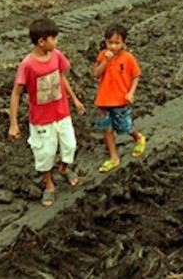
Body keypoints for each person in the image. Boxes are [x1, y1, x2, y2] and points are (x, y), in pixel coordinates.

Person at [8, 17, 86, 207]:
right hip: (41, 120)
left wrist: (74, 99)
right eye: (54, 38)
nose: (56, 42)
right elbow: (16, 94)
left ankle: (64, 168)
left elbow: (60, 77)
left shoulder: (57, 55)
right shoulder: (27, 65)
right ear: (42, 41)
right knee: (44, 154)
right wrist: (13, 124)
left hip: (62, 113)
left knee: (70, 146)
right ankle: (49, 185)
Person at [92, 23, 146, 172]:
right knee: (106, 128)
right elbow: (96, 74)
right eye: (110, 43)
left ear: (124, 43)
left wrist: (131, 92)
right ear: (105, 41)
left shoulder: (128, 58)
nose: (113, 46)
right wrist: (105, 61)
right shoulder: (103, 55)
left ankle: (138, 137)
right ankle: (113, 157)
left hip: (120, 100)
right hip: (103, 100)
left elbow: (136, 75)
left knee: (124, 125)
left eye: (117, 43)